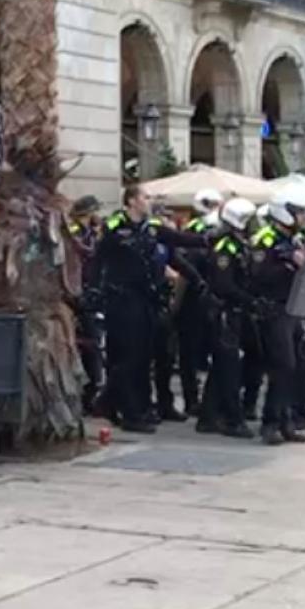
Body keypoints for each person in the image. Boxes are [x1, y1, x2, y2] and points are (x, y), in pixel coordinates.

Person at [96, 185, 206, 433]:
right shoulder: (115, 228)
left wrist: (208, 239)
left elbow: (179, 241)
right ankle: (129, 413)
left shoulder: (152, 228)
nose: (149, 201)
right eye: (145, 197)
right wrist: (93, 292)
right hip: (122, 299)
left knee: (144, 357)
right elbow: (98, 259)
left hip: (147, 299)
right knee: (128, 358)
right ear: (132, 201)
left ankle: (136, 407)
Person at [251, 186, 305, 445]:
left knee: (297, 366)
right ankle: (270, 423)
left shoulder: (294, 239)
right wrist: (290, 263)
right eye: (301, 212)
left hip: (293, 308)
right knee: (282, 366)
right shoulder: (265, 238)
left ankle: (286, 421)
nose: (304, 218)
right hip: (273, 310)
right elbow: (257, 275)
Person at [195, 198, 259, 438]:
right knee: (230, 368)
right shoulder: (226, 247)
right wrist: (249, 300)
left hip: (234, 312)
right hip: (223, 312)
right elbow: (224, 285)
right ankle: (233, 419)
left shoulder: (239, 244)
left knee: (222, 367)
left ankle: (208, 416)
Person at [176, 189, 224, 418]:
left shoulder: (221, 229)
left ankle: (209, 400)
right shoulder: (193, 230)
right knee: (189, 352)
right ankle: (191, 399)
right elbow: (185, 264)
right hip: (193, 298)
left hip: (213, 296)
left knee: (213, 349)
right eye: (212, 204)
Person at [68, 195, 106, 413]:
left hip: (91, 293)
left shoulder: (92, 232)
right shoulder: (75, 232)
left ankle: (92, 390)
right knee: (87, 346)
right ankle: (86, 394)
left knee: (94, 346)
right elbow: (84, 253)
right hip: (78, 294)